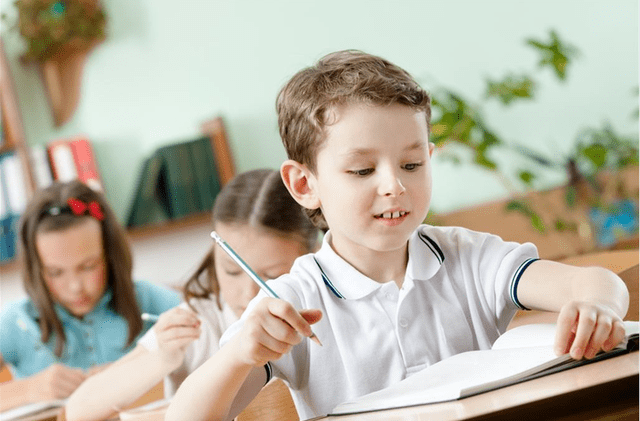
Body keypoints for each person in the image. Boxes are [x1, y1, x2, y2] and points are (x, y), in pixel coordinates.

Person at [165, 51, 630, 421]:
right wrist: (239, 354)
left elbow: (595, 282)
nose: (394, 185)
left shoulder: (470, 258)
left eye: (412, 164)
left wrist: (600, 306)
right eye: (362, 169)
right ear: (305, 185)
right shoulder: (293, 300)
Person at [65, 169, 320, 421]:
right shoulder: (200, 321)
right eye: (232, 271)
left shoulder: (325, 309)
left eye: (271, 276)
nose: (248, 293)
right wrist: (161, 357)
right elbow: (78, 410)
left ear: (312, 256)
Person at [0, 180, 181, 411]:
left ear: (109, 254)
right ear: (36, 269)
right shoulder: (15, 321)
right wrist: (28, 390)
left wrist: (136, 369)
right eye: (55, 272)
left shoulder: (149, 300)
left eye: (88, 266)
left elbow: (216, 350)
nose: (75, 287)